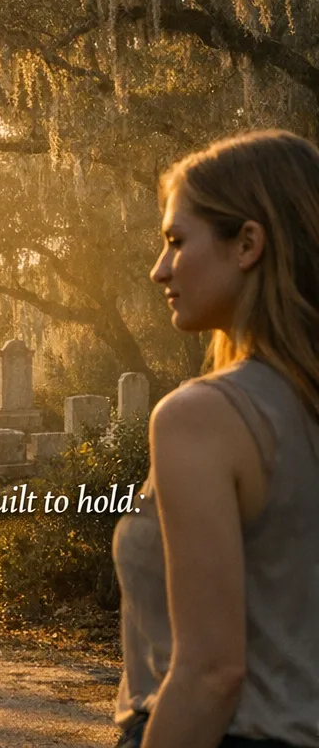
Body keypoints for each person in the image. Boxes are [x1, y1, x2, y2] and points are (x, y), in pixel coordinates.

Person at [116, 130, 319, 748]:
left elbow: (210, 676)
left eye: (177, 241)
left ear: (247, 244)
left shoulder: (202, 417)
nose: (160, 270)